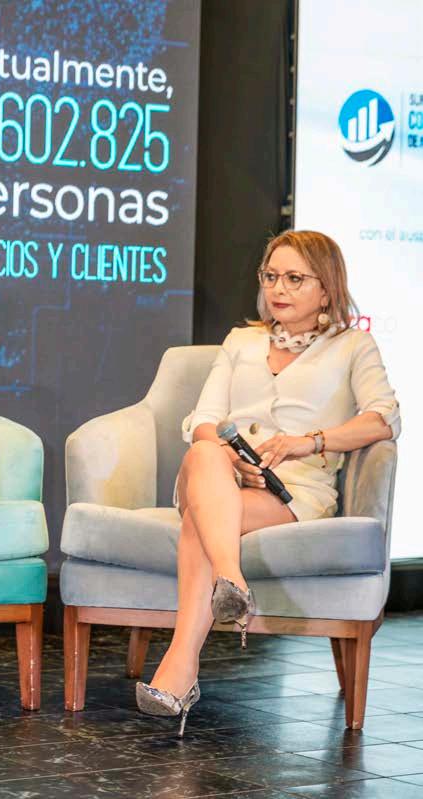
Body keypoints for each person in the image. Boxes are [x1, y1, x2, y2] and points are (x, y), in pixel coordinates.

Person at [136, 230, 400, 734]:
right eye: (271, 276)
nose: (279, 288)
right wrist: (234, 458)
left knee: (199, 522)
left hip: (292, 489)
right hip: (220, 473)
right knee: (205, 450)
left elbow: (382, 419)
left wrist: (311, 442)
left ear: (326, 288)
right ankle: (231, 580)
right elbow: (203, 419)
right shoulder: (242, 341)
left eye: (295, 278)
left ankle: (180, 669)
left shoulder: (353, 345)